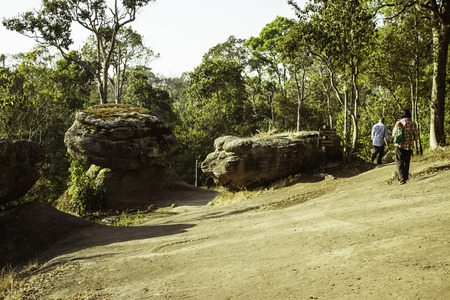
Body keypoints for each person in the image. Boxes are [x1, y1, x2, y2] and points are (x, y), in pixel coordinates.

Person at [392, 108, 419, 185]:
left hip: (399, 145)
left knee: (399, 161)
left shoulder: (398, 123)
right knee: (406, 162)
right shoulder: (413, 124)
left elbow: (394, 134)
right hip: (409, 146)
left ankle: (401, 178)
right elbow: (416, 137)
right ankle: (405, 177)